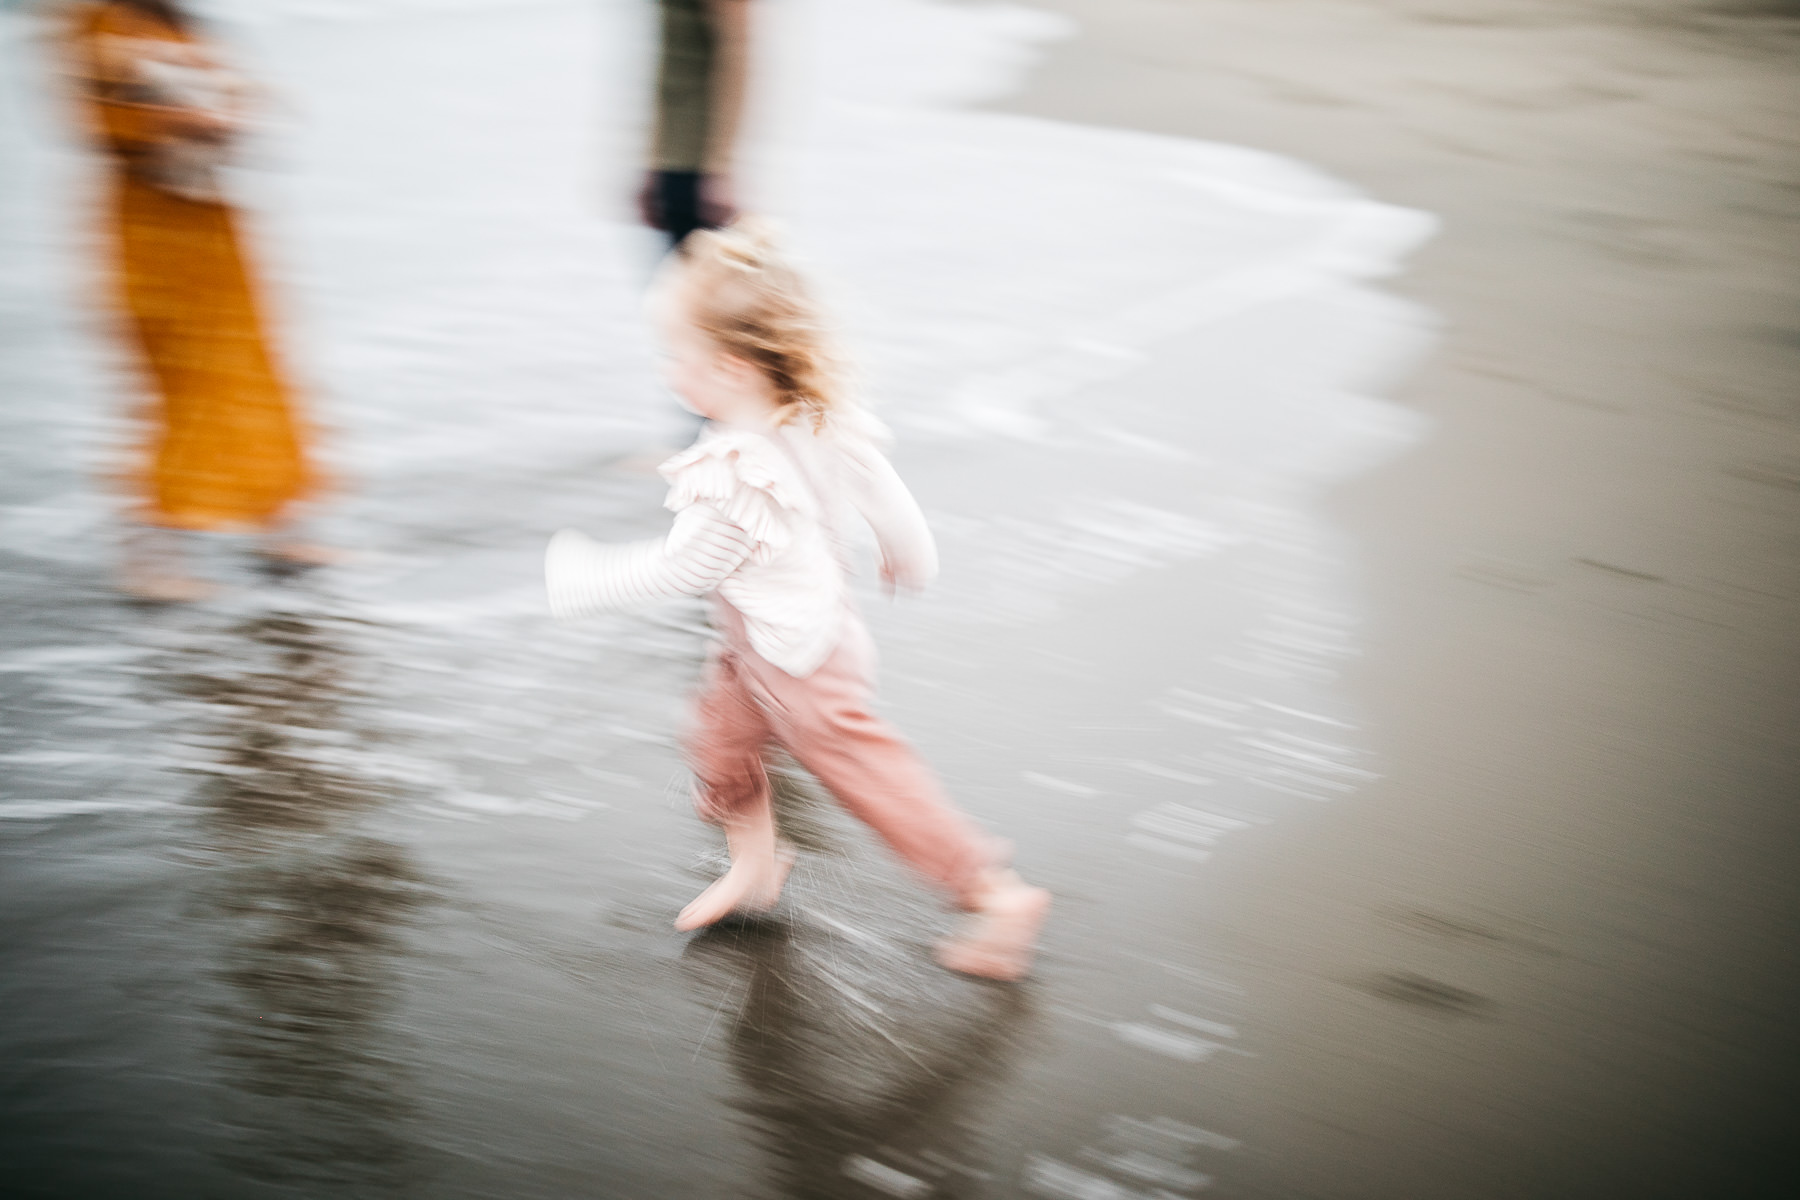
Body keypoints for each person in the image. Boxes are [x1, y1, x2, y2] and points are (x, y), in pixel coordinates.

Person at [545, 223, 1051, 980]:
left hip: (804, 666)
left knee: (875, 783)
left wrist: (584, 580)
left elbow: (685, 568)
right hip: (769, 642)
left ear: (729, 367)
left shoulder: (736, 471)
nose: (667, 370)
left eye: (676, 356)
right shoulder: (813, 418)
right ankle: (755, 866)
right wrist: (909, 550)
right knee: (719, 740)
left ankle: (991, 893)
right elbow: (882, 489)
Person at [61, 0, 326, 602]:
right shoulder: (97, 21)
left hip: (211, 225)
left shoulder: (173, 21)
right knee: (178, 387)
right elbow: (108, 119)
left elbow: (226, 92)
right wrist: (185, 120)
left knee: (254, 372)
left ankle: (280, 525)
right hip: (152, 235)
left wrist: (229, 114)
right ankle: (151, 556)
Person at [637, 0, 751, 247]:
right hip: (673, 166)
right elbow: (672, 60)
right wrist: (655, 161)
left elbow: (735, 54)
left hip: (702, 177)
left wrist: (720, 166)